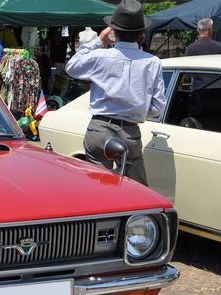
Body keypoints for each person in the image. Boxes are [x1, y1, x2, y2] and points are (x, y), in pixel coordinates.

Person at [64, 0, 165, 186]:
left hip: (99, 128)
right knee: (137, 190)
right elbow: (157, 106)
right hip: (130, 131)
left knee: (99, 188)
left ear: (113, 32)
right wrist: (137, 110)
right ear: (142, 35)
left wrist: (99, 40)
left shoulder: (99, 56)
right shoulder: (153, 62)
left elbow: (71, 67)